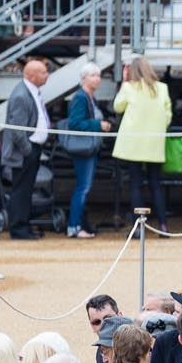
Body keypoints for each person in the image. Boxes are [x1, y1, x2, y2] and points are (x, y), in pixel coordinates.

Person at [112, 54, 172, 232]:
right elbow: (168, 116)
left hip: (133, 143)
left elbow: (117, 107)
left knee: (135, 184)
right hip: (154, 143)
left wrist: (124, 83)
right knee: (156, 184)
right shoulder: (162, 88)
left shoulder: (129, 87)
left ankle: (139, 228)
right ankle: (163, 225)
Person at [0, 55, 51, 241]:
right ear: (32, 75)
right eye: (44, 72)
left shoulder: (31, 91)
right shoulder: (21, 95)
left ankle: (24, 225)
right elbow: (17, 130)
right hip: (24, 153)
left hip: (31, 149)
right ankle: (18, 228)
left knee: (26, 189)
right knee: (21, 190)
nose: (47, 75)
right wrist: (28, 150)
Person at [62, 65, 110, 239]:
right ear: (84, 79)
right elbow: (74, 123)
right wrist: (98, 125)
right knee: (83, 187)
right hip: (84, 150)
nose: (97, 78)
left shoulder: (90, 97)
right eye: (93, 75)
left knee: (84, 187)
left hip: (91, 148)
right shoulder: (81, 98)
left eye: (99, 75)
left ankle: (80, 224)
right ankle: (74, 226)